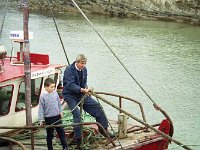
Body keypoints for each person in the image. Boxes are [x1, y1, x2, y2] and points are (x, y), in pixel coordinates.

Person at [62, 54, 114, 147]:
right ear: (77, 62)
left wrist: (86, 88)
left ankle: (104, 131)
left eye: (85, 64)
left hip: (81, 94)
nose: (83, 65)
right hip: (70, 96)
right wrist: (82, 89)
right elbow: (70, 85)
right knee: (77, 115)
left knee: (97, 107)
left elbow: (84, 82)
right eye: (82, 63)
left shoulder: (84, 70)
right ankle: (78, 141)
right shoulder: (68, 70)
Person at [38, 78, 68, 150]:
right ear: (45, 87)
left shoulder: (55, 93)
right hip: (49, 118)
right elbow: (41, 109)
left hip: (57, 116)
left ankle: (65, 147)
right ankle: (50, 148)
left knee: (61, 132)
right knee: (50, 135)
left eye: (54, 87)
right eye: (51, 87)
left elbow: (58, 103)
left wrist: (60, 112)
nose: (53, 88)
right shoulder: (42, 96)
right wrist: (41, 120)